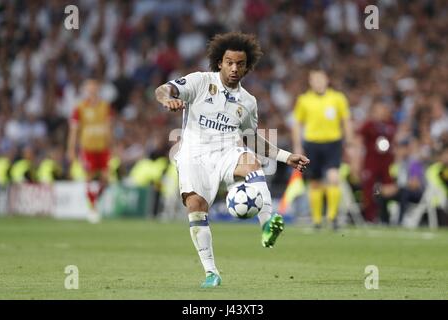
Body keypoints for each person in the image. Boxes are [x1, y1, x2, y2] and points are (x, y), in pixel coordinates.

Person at [154, 32, 309, 288]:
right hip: (195, 154)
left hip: (227, 151)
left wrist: (286, 156)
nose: (234, 68)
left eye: (240, 64)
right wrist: (167, 99)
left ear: (247, 67)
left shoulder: (248, 102)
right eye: (229, 62)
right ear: (219, 63)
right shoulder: (201, 81)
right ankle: (211, 272)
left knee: (251, 162)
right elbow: (164, 88)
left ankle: (268, 223)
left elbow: (252, 139)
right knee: (196, 207)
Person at [292, 69, 354, 230]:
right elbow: (297, 124)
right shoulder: (304, 100)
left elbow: (346, 119)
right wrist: (298, 146)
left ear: (327, 80)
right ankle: (317, 220)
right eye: (315, 79)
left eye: (321, 79)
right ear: (310, 82)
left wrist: (349, 140)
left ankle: (332, 218)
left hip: (333, 143)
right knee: (315, 182)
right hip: (312, 144)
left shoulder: (337, 98)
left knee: (333, 178)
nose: (318, 82)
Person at [67, 78, 113, 224]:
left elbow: (109, 128)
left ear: (98, 89)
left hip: (103, 148)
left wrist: (112, 146)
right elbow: (74, 131)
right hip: (87, 148)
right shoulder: (79, 108)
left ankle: (94, 201)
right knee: (89, 176)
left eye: (94, 88)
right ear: (86, 90)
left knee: (106, 179)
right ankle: (92, 208)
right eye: (89, 88)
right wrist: (71, 149)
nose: (92, 91)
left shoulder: (105, 107)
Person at [357, 101, 397, 223]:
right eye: (378, 111)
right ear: (373, 112)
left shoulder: (391, 124)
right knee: (368, 189)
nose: (381, 113)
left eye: (383, 110)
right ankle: (369, 216)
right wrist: (357, 159)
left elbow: (395, 141)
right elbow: (358, 139)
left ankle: (385, 215)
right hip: (371, 161)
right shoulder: (369, 125)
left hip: (386, 162)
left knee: (388, 188)